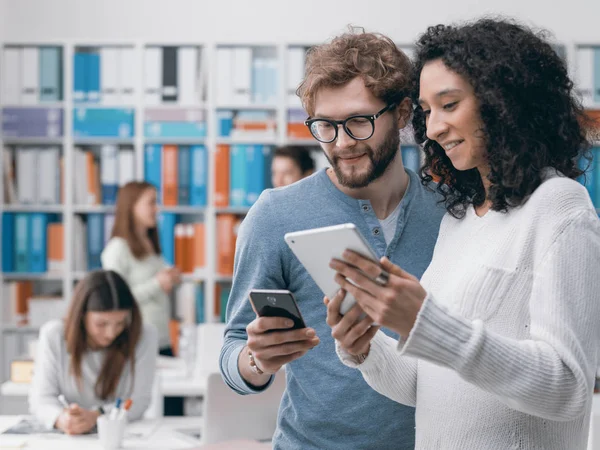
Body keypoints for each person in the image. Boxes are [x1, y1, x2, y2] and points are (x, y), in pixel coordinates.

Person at [327, 18, 600, 450]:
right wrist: (365, 347)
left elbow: (566, 388)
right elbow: (427, 387)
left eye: (449, 104)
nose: (432, 128)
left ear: (502, 102)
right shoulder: (459, 222)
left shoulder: (560, 208)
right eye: (427, 111)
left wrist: (425, 323)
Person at [219, 28, 446, 449]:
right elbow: (233, 352)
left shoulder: (451, 213)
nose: (341, 143)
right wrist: (256, 360)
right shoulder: (274, 215)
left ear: (401, 114)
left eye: (359, 122)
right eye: (325, 125)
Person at [28, 270, 158, 434]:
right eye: (101, 324)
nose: (111, 333)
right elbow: (41, 398)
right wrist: (61, 418)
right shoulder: (54, 335)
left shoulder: (143, 335)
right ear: (81, 316)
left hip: (121, 434)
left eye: (120, 323)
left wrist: (97, 416)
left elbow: (139, 401)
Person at [101, 181, 183, 415]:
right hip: (135, 342)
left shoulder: (150, 244)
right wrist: (157, 283)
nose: (156, 208)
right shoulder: (117, 249)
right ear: (131, 207)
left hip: (162, 339)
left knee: (172, 408)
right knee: (142, 409)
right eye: (150, 202)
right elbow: (115, 300)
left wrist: (169, 278)